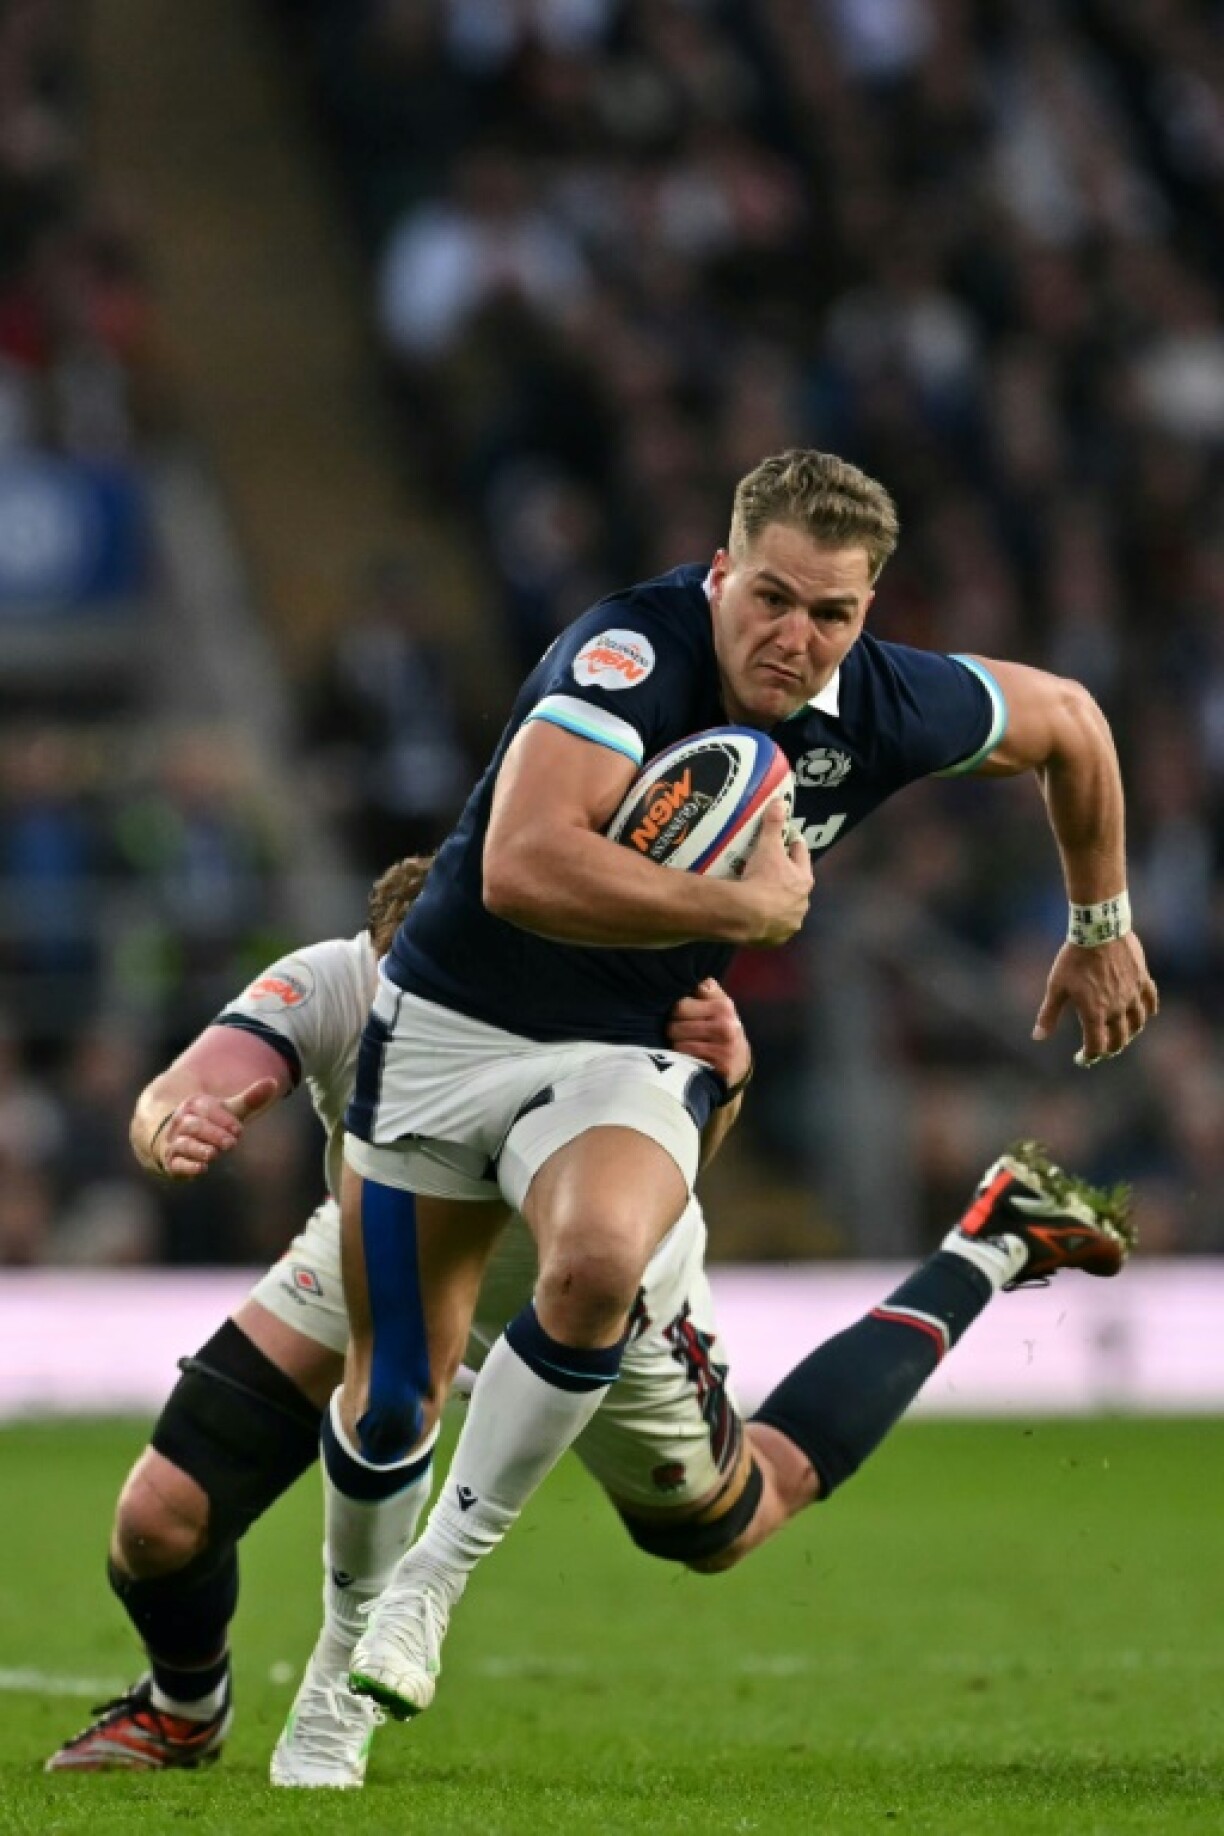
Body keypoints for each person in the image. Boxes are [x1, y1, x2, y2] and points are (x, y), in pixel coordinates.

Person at [333, 447, 1157, 1726]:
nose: (796, 636)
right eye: (770, 598)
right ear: (719, 571)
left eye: (833, 613)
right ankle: (246, 1695)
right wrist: (745, 907)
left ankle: (987, 1248)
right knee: (372, 1371)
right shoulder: (627, 656)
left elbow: (1072, 722)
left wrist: (1102, 922)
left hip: (623, 1063)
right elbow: (520, 866)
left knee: (722, 1512)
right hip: (446, 1042)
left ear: (871, 610)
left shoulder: (881, 702)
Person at [44, 854, 1135, 1790]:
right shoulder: (337, 981)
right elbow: (183, 1084)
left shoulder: (602, 997)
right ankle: (187, 1711)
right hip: (381, 1243)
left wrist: (732, 1078)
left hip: (591, 1290)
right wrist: (169, 1126)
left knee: (736, 1517)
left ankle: (989, 1240)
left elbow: (673, 1154)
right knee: (159, 1523)